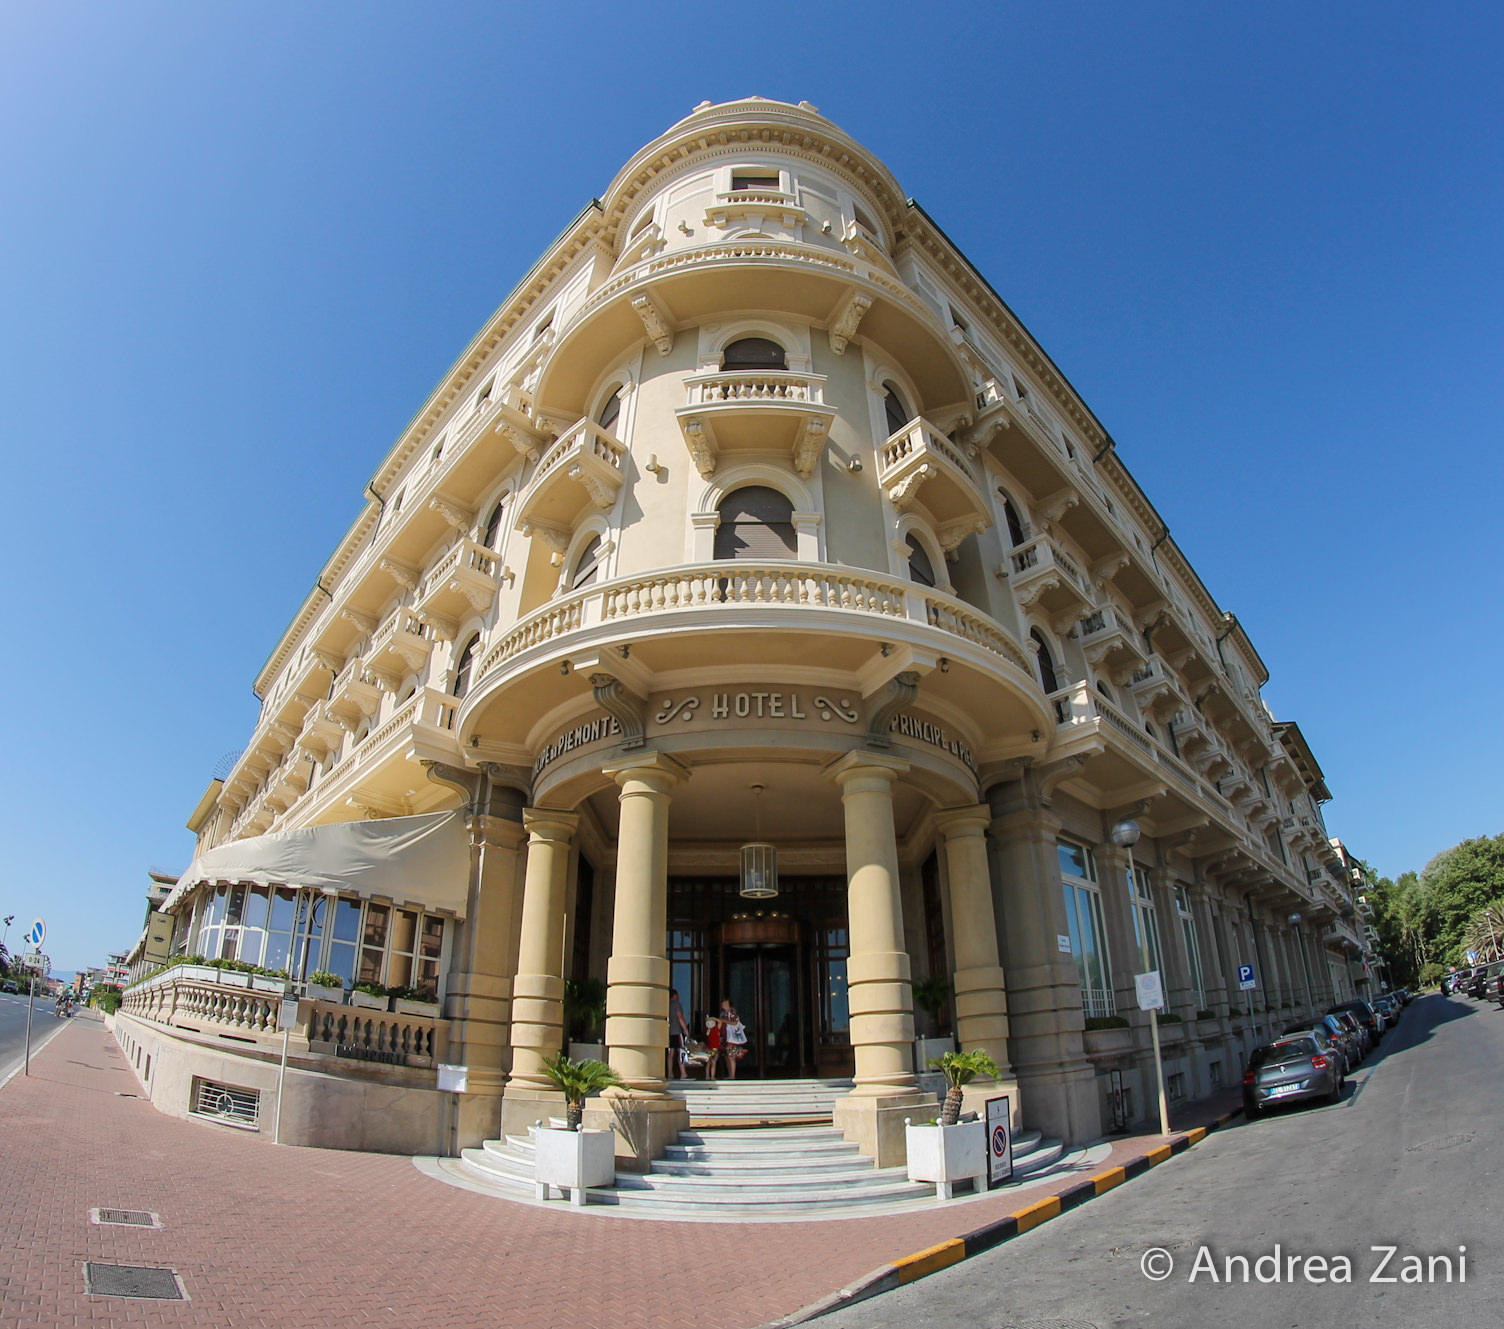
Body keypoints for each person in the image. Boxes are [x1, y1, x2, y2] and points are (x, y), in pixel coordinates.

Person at [718, 998, 747, 1080]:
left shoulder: (732, 1012)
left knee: (731, 1056)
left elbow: (735, 1023)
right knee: (726, 1056)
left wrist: (724, 1021)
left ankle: (732, 1075)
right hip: (724, 1038)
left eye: (723, 1002)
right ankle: (730, 1074)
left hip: (731, 1038)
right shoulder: (723, 1014)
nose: (722, 1004)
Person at [667, 987, 690, 1079]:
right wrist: (686, 1030)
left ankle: (670, 1073)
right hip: (677, 1031)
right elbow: (680, 1017)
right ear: (675, 995)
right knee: (681, 1051)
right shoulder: (676, 1004)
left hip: (669, 1031)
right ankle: (683, 1073)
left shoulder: (667, 1004)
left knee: (671, 1053)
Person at [704, 1014, 721, 1080]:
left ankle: (707, 1076)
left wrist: (711, 1018)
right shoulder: (715, 1029)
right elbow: (720, 1022)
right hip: (714, 1049)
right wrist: (713, 1018)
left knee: (709, 1063)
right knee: (713, 1063)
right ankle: (712, 1076)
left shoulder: (709, 1031)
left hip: (710, 1048)